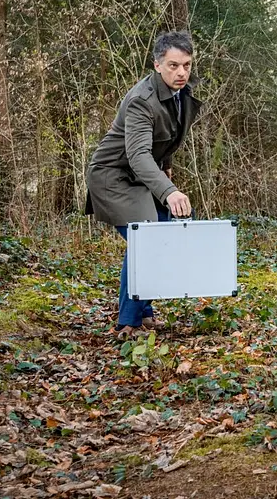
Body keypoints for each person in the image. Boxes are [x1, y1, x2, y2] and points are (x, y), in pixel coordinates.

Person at [85, 31, 202, 341]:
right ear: (157, 65)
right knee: (146, 239)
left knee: (162, 236)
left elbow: (165, 139)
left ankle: (145, 312)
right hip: (113, 176)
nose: (181, 72)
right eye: (173, 65)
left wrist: (166, 170)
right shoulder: (141, 100)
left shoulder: (181, 93)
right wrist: (168, 191)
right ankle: (128, 321)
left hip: (143, 177)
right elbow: (137, 155)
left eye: (186, 65)